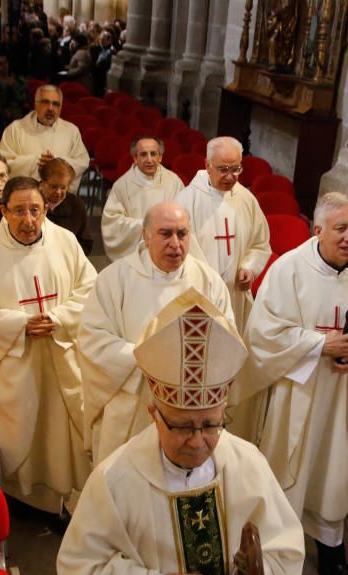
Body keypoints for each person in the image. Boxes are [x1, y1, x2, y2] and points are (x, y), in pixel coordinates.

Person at [57, 288, 305, 575]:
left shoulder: (245, 463)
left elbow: (283, 546)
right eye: (182, 426)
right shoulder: (115, 480)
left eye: (211, 425)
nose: (198, 441)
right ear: (154, 413)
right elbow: (81, 571)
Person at [236, 192, 348, 575]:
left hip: (339, 390)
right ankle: (273, 552)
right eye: (341, 228)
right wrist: (319, 345)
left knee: (334, 471)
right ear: (317, 229)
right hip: (297, 392)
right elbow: (264, 332)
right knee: (289, 466)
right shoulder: (289, 269)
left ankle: (331, 556)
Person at [0, 176, 97, 515]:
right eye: (18, 211)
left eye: (35, 210)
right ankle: (18, 498)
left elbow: (91, 288)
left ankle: (59, 497)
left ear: (46, 208)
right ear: (3, 211)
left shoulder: (65, 242)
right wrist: (20, 325)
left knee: (59, 432)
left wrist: (60, 318)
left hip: (60, 356)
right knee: (21, 433)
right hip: (14, 364)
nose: (29, 220)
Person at [77, 201, 233, 465]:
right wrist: (149, 356)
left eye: (182, 234)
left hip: (188, 413)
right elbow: (93, 341)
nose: (175, 243)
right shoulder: (115, 280)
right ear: (146, 236)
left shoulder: (208, 281)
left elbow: (227, 342)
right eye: (165, 234)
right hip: (132, 404)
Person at [175, 136, 271, 333]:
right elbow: (176, 249)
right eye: (223, 169)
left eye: (236, 169)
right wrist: (203, 279)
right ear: (207, 165)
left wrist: (250, 268)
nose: (230, 176)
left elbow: (260, 243)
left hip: (235, 294)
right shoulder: (185, 202)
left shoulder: (246, 199)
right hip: (198, 294)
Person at [101, 134, 184, 262]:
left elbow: (184, 215)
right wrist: (145, 226)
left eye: (153, 154)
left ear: (160, 157)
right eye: (143, 154)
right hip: (136, 256)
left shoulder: (174, 182)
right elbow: (113, 223)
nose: (149, 159)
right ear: (135, 158)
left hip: (168, 250)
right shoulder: (122, 186)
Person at [0, 84, 90, 193]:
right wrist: (35, 162)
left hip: (59, 197)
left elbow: (82, 161)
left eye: (56, 104)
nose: (50, 108)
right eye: (45, 102)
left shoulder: (71, 131)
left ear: (61, 108)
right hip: (24, 196)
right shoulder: (15, 129)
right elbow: (2, 164)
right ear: (35, 104)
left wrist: (56, 163)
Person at [39, 158, 92, 254]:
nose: (58, 192)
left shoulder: (77, 205)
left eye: (63, 187)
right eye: (53, 186)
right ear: (42, 183)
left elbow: (85, 242)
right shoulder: (33, 202)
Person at [0, 52, 28, 122]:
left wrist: (14, 86)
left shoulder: (18, 80)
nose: (4, 66)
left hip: (17, 116)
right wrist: (2, 112)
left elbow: (24, 100)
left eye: (5, 62)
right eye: (0, 64)